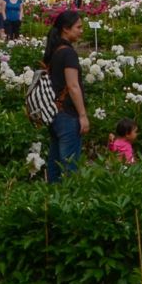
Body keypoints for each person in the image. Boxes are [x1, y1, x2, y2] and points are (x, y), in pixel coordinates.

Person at [44, 10, 89, 183]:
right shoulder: (68, 53)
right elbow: (72, 85)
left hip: (54, 113)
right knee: (70, 167)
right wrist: (83, 116)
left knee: (55, 164)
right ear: (65, 29)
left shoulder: (54, 50)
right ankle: (70, 203)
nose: (81, 30)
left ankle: (51, 201)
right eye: (78, 27)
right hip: (68, 115)